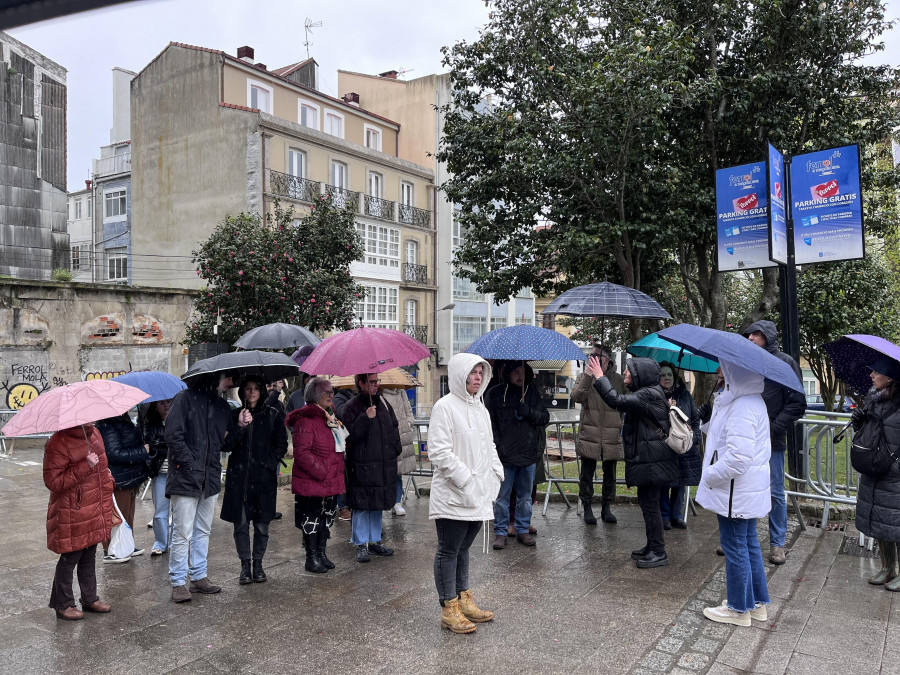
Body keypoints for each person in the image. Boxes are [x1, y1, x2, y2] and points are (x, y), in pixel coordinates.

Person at [428, 353, 504, 634]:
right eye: (473, 372)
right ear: (460, 374)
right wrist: (466, 479)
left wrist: (496, 474)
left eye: (481, 372)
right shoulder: (444, 407)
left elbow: (489, 446)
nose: (478, 377)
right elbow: (438, 451)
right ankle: (449, 609)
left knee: (463, 548)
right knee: (449, 550)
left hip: (479, 494)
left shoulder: (480, 408)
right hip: (454, 494)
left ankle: (463, 597)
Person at [698, 361, 772, 627]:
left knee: (735, 546)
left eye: (723, 368)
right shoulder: (745, 400)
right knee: (748, 543)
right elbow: (726, 434)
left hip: (734, 490)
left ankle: (739, 608)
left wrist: (709, 475)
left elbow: (738, 458)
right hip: (742, 490)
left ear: (736, 372)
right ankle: (758, 604)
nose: (719, 372)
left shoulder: (742, 405)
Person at [164, 371, 249, 603]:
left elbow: (225, 444)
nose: (230, 383)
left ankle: (199, 576)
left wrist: (240, 426)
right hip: (185, 478)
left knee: (203, 530)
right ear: (213, 378)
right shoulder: (184, 399)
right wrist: (190, 465)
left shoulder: (221, 406)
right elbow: (173, 435)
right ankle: (178, 582)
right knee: (183, 531)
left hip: (209, 478)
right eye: (227, 378)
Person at [586, 355, 679, 568]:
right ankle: (652, 546)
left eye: (629, 370)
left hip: (653, 461)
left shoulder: (648, 394)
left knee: (651, 506)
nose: (626, 373)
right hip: (651, 459)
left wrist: (600, 377)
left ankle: (658, 551)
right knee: (648, 505)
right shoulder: (649, 393)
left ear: (640, 374)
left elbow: (615, 400)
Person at [744, 320, 807, 564]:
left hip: (772, 439)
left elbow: (797, 402)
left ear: (767, 337)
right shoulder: (745, 361)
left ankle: (777, 544)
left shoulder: (785, 362)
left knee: (775, 492)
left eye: (756, 335)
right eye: (749, 335)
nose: (750, 338)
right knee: (744, 487)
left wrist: (774, 427)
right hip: (747, 436)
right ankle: (742, 538)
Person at [44, 423, 116, 620]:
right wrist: (85, 465)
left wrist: (107, 478)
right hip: (72, 510)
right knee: (70, 557)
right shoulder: (57, 442)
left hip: (95, 506)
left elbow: (101, 467)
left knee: (89, 554)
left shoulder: (95, 434)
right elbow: (53, 482)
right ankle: (64, 604)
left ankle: (90, 598)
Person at [220, 377, 288, 584]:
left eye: (255, 389)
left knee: (261, 525)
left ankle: (258, 564)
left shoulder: (272, 414)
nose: (251, 393)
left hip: (263, 479)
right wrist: (240, 426)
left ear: (261, 392)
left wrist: (268, 463)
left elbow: (281, 444)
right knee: (240, 525)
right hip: (239, 479)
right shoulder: (234, 415)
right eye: (248, 389)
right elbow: (226, 445)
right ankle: (245, 565)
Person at [285, 377, 346, 574]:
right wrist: (322, 471)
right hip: (313, 481)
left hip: (330, 480)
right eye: (325, 392)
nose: (331, 395)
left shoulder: (330, 417)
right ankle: (311, 557)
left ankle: (321, 553)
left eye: (331, 391)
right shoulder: (306, 419)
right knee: (311, 519)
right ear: (314, 395)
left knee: (326, 517)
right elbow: (301, 454)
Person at [486, 362, 549, 548]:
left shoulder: (531, 392)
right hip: (505, 455)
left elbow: (544, 417)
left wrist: (529, 412)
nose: (519, 377)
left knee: (525, 497)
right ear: (507, 373)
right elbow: (489, 424)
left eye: (522, 373)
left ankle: (522, 530)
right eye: (515, 373)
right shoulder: (495, 394)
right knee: (502, 497)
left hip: (527, 454)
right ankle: (500, 531)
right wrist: (498, 446)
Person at [341, 373, 402, 562]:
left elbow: (394, 426)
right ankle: (360, 543)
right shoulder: (352, 406)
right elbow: (348, 437)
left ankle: (375, 541)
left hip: (383, 464)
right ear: (361, 383)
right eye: (372, 381)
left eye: (377, 381)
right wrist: (365, 418)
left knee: (376, 503)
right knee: (361, 505)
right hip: (362, 466)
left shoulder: (383, 402)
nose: (376, 385)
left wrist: (395, 450)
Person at [853, 355, 900, 590]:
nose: (871, 375)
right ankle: (888, 567)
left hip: (893, 473)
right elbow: (870, 433)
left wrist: (895, 466)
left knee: (897, 522)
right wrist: (859, 422)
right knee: (882, 522)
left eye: (876, 371)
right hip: (875, 468)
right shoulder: (875, 398)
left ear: (890, 377)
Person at [571, 343, 625, 525]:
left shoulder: (618, 380)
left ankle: (606, 507)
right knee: (586, 474)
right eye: (590, 357)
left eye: (596, 357)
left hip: (611, 435)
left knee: (610, 474)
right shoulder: (583, 377)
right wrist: (588, 376)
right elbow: (576, 397)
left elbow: (628, 401)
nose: (591, 360)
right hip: (590, 434)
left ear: (607, 361)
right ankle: (586, 506)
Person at [96, 411, 149, 561]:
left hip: (128, 477)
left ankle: (126, 545)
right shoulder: (108, 426)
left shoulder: (120, 420)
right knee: (116, 515)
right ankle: (111, 550)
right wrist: (142, 451)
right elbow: (114, 453)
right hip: (119, 479)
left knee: (127, 515)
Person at [657, 362, 702, 531]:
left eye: (669, 374)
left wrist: (695, 437)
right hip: (665, 446)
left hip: (685, 447)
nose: (666, 377)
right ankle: (664, 515)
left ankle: (676, 515)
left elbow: (695, 419)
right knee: (665, 483)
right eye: (663, 375)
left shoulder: (684, 394)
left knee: (681, 482)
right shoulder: (656, 395)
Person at [144, 399, 173, 557]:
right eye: (162, 403)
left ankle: (176, 542)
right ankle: (161, 543)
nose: (166, 406)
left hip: (178, 473)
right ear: (155, 406)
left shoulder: (179, 420)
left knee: (178, 511)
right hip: (160, 473)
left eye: (169, 402)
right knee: (160, 512)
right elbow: (151, 449)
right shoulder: (152, 425)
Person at [381, 387, 416, 516]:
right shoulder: (380, 391)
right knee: (385, 469)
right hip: (385, 432)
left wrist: (408, 423)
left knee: (398, 469)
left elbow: (408, 410)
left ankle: (397, 501)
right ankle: (386, 500)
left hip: (400, 433)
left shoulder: (401, 391)